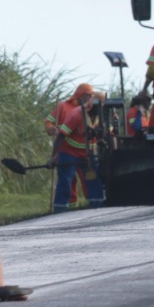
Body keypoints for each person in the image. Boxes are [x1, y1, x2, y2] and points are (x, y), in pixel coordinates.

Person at [46, 83, 103, 211]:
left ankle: (96, 206)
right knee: (66, 180)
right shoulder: (71, 111)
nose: (89, 98)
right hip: (69, 151)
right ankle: (61, 209)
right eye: (88, 95)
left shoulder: (100, 114)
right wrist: (54, 156)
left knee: (92, 179)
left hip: (88, 153)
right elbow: (54, 128)